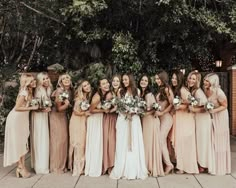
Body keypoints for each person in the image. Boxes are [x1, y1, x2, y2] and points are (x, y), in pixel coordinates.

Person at [110, 73, 148, 180]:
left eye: (126, 79)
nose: (124, 82)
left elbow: (140, 107)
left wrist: (133, 111)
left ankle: (133, 168)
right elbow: (118, 107)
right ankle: (122, 168)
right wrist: (126, 112)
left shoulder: (137, 91)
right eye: (123, 80)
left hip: (134, 120)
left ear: (130, 79)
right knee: (122, 143)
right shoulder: (120, 91)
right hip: (123, 119)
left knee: (134, 142)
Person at [4, 73, 38, 178]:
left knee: (22, 143)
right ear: (27, 83)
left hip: (22, 119)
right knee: (18, 142)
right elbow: (17, 107)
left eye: (34, 80)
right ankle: (20, 167)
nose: (34, 82)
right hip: (16, 119)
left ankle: (22, 166)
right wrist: (32, 108)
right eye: (31, 81)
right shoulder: (24, 92)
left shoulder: (29, 91)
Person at [170, 70, 198, 174]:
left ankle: (185, 167)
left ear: (180, 79)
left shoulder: (183, 90)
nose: (173, 80)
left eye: (175, 78)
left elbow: (192, 103)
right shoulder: (177, 90)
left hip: (186, 119)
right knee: (180, 143)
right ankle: (180, 165)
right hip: (180, 118)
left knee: (184, 143)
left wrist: (179, 106)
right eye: (172, 78)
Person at [187, 71, 215, 174]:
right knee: (199, 142)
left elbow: (206, 107)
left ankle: (204, 165)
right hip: (198, 119)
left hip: (203, 120)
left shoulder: (198, 91)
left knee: (203, 142)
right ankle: (201, 163)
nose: (191, 80)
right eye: (190, 78)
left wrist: (194, 110)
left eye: (194, 79)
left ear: (197, 80)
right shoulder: (193, 90)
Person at [203, 73, 231, 175]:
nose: (205, 82)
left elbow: (225, 106)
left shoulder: (219, 92)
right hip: (213, 117)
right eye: (205, 80)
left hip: (221, 117)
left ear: (213, 82)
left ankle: (221, 167)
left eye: (207, 81)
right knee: (213, 140)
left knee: (220, 140)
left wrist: (213, 111)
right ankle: (213, 164)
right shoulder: (207, 91)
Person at [139, 75, 164, 177]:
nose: (143, 82)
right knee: (146, 143)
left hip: (151, 121)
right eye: (142, 80)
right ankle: (146, 165)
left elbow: (155, 109)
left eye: (146, 80)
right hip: (145, 121)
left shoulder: (149, 95)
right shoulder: (140, 93)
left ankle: (151, 167)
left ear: (148, 83)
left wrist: (145, 114)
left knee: (149, 143)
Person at [85, 78, 110, 177]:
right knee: (95, 143)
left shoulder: (103, 95)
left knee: (97, 143)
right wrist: (103, 111)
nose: (106, 85)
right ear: (100, 86)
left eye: (107, 83)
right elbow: (91, 110)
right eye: (103, 84)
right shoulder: (97, 96)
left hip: (98, 120)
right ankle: (93, 167)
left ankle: (97, 165)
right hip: (94, 120)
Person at [49, 73, 73, 173]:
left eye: (67, 78)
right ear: (60, 81)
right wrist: (67, 105)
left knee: (63, 141)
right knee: (58, 141)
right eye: (63, 78)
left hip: (63, 117)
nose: (66, 79)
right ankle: (56, 166)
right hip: (57, 117)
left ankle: (63, 164)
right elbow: (59, 108)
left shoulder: (70, 90)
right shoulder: (59, 91)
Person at [68, 80, 92, 176]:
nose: (87, 87)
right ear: (81, 88)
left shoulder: (86, 97)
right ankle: (77, 169)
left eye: (87, 84)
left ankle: (79, 166)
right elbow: (75, 112)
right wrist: (85, 113)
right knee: (79, 144)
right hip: (77, 122)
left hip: (82, 121)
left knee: (82, 144)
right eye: (84, 86)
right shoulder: (79, 99)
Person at [31, 72, 52, 174]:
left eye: (47, 78)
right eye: (43, 79)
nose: (46, 80)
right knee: (41, 139)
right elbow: (35, 107)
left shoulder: (47, 89)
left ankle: (44, 163)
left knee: (45, 139)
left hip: (44, 117)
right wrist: (43, 110)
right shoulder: (38, 91)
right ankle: (40, 166)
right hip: (39, 118)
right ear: (39, 81)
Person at [155, 71, 174, 175]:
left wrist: (162, 112)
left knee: (160, 140)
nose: (157, 80)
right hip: (160, 118)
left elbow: (172, 104)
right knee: (160, 141)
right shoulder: (160, 89)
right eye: (156, 79)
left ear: (163, 78)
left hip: (166, 118)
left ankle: (169, 164)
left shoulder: (167, 89)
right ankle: (163, 162)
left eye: (159, 79)